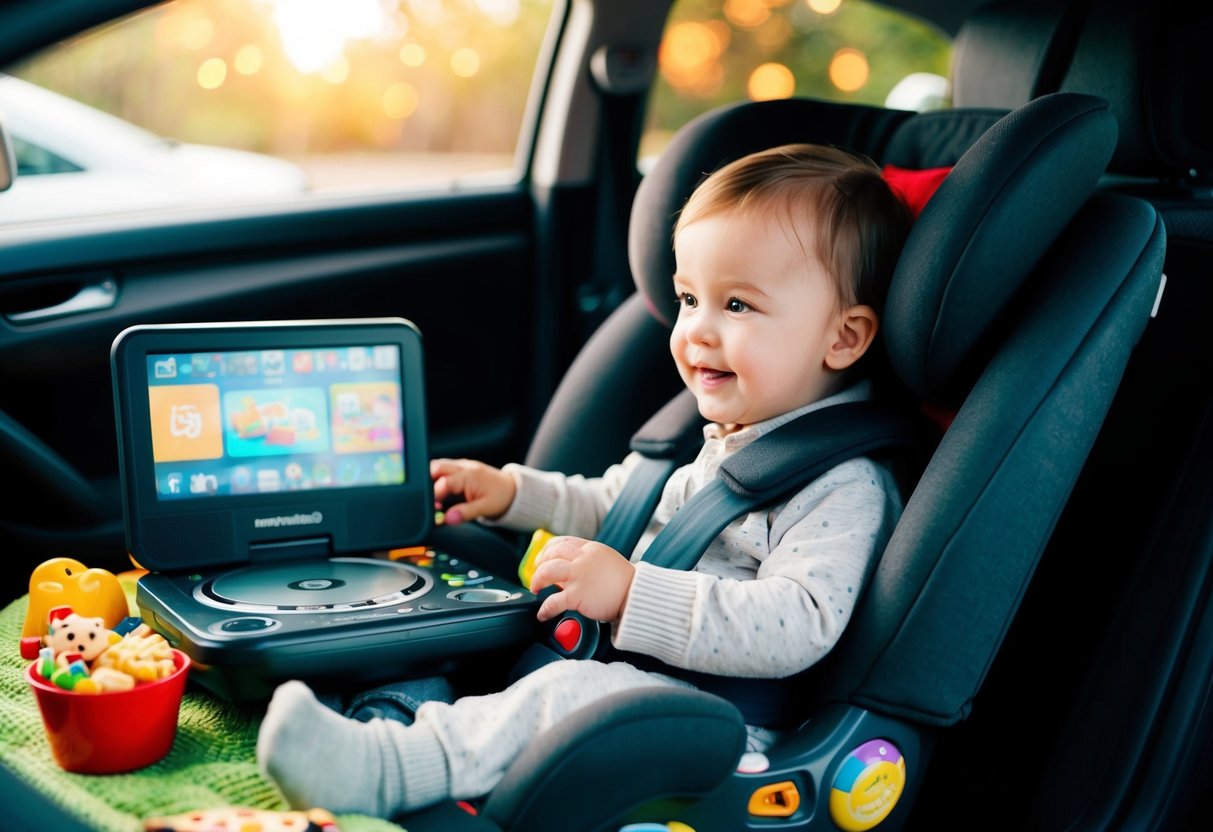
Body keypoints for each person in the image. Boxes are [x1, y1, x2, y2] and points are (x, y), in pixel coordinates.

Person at [256, 142, 914, 818]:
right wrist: (515, 493)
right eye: (689, 299)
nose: (697, 332)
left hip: (717, 730)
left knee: (561, 694)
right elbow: (617, 504)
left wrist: (632, 594)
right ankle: (383, 727)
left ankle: (386, 774)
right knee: (448, 610)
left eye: (737, 306)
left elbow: (797, 622)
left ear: (842, 338)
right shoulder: (725, 432)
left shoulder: (843, 484)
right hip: (621, 674)